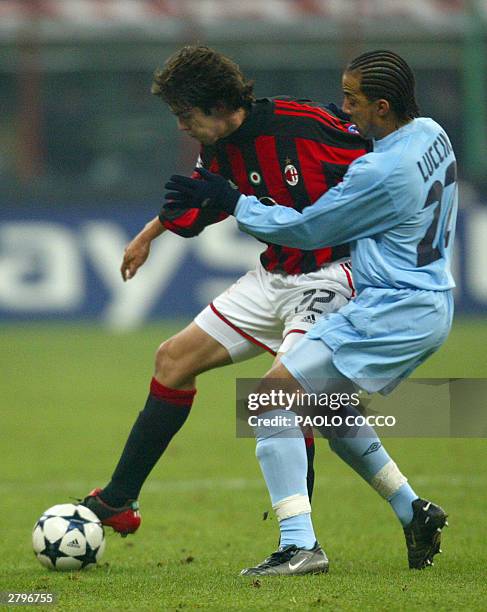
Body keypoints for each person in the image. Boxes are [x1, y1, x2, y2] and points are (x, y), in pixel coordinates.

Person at [164, 49, 455, 575]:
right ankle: (414, 511)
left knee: (269, 399)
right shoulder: (432, 134)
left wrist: (233, 201)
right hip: (423, 298)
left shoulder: (381, 171)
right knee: (322, 408)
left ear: (383, 107)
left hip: (393, 310)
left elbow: (306, 229)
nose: (345, 108)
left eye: (353, 99)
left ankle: (301, 546)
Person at [82, 46, 369, 534]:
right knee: (172, 360)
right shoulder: (218, 145)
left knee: (285, 392)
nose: (179, 125)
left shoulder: (304, 125)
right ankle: (119, 501)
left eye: (183, 113)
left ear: (216, 104)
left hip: (333, 273)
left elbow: (379, 167)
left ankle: (300, 539)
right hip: (275, 274)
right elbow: (204, 197)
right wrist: (150, 234)